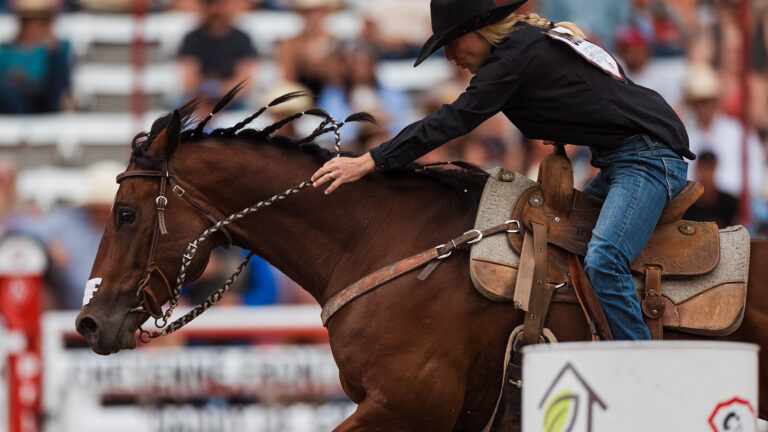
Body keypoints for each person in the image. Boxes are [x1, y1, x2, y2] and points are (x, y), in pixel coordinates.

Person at [311, 0, 693, 341]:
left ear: (476, 33)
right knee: (563, 248)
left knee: (605, 260)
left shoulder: (513, 60)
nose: (449, 57)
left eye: (451, 44)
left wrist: (371, 160)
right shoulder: (531, 39)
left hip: (645, 158)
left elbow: (454, 119)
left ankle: (645, 367)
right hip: (627, 156)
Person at [177, 0, 258, 108]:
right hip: (198, 101)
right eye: (209, 4)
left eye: (221, 4)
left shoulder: (242, 39)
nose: (215, 10)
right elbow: (189, 82)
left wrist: (219, 92)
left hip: (232, 101)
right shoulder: (191, 39)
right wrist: (207, 97)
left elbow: (245, 82)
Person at [0, 0, 72, 114]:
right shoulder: (7, 50)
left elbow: (58, 87)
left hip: (45, 105)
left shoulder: (59, 49)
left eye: (41, 19)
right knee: (8, 92)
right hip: (14, 104)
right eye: (27, 20)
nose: (33, 24)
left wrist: (53, 52)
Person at [683, 151, 739, 228]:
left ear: (715, 169)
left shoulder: (730, 202)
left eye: (709, 168)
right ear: (696, 169)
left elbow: (737, 231)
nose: (706, 173)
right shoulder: (684, 203)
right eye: (703, 168)